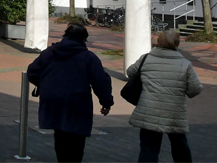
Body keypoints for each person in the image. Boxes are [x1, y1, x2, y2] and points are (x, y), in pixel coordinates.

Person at [26, 22, 113, 163]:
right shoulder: (88, 57)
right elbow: (101, 81)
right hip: (77, 104)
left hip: (53, 102)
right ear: (83, 39)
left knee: (60, 138)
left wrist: (46, 85)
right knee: (76, 143)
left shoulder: (49, 53)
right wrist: (106, 102)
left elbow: (32, 72)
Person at [127, 28, 203, 163]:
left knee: (148, 148)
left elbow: (130, 72)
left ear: (158, 42)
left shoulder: (146, 59)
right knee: (180, 146)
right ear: (177, 43)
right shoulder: (185, 64)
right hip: (174, 112)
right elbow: (195, 89)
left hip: (149, 110)